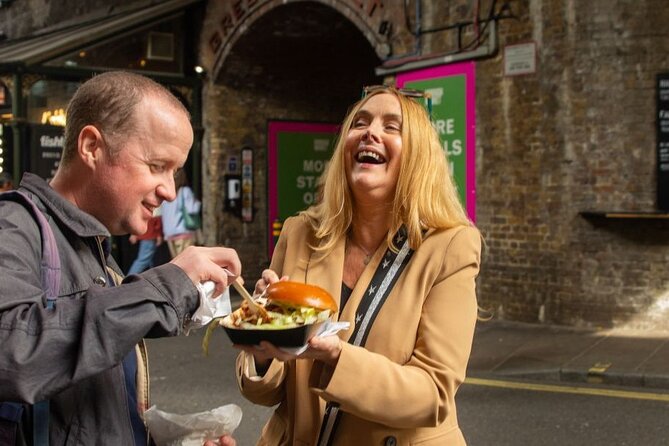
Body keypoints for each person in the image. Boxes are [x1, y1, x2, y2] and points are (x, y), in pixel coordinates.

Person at [0, 71, 238, 446]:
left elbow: (85, 420)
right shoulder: (12, 226)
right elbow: (11, 356)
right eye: (157, 166)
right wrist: (169, 284)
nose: (170, 191)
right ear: (92, 147)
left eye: (175, 171)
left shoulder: (101, 258)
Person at [234, 85, 482, 445]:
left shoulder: (449, 246)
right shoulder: (300, 231)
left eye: (392, 127)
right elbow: (265, 393)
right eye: (360, 122)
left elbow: (434, 394)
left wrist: (336, 356)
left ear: (418, 157)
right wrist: (263, 342)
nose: (370, 132)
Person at [161, 169, 200, 257]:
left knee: (176, 264)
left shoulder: (166, 192)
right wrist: (198, 203)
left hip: (169, 234)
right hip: (182, 232)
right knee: (187, 263)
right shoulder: (184, 191)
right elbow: (192, 209)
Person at [127, 206, 164, 275]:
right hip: (150, 235)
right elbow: (156, 219)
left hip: (146, 235)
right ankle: (128, 279)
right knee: (143, 259)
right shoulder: (155, 206)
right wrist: (158, 234)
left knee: (150, 260)